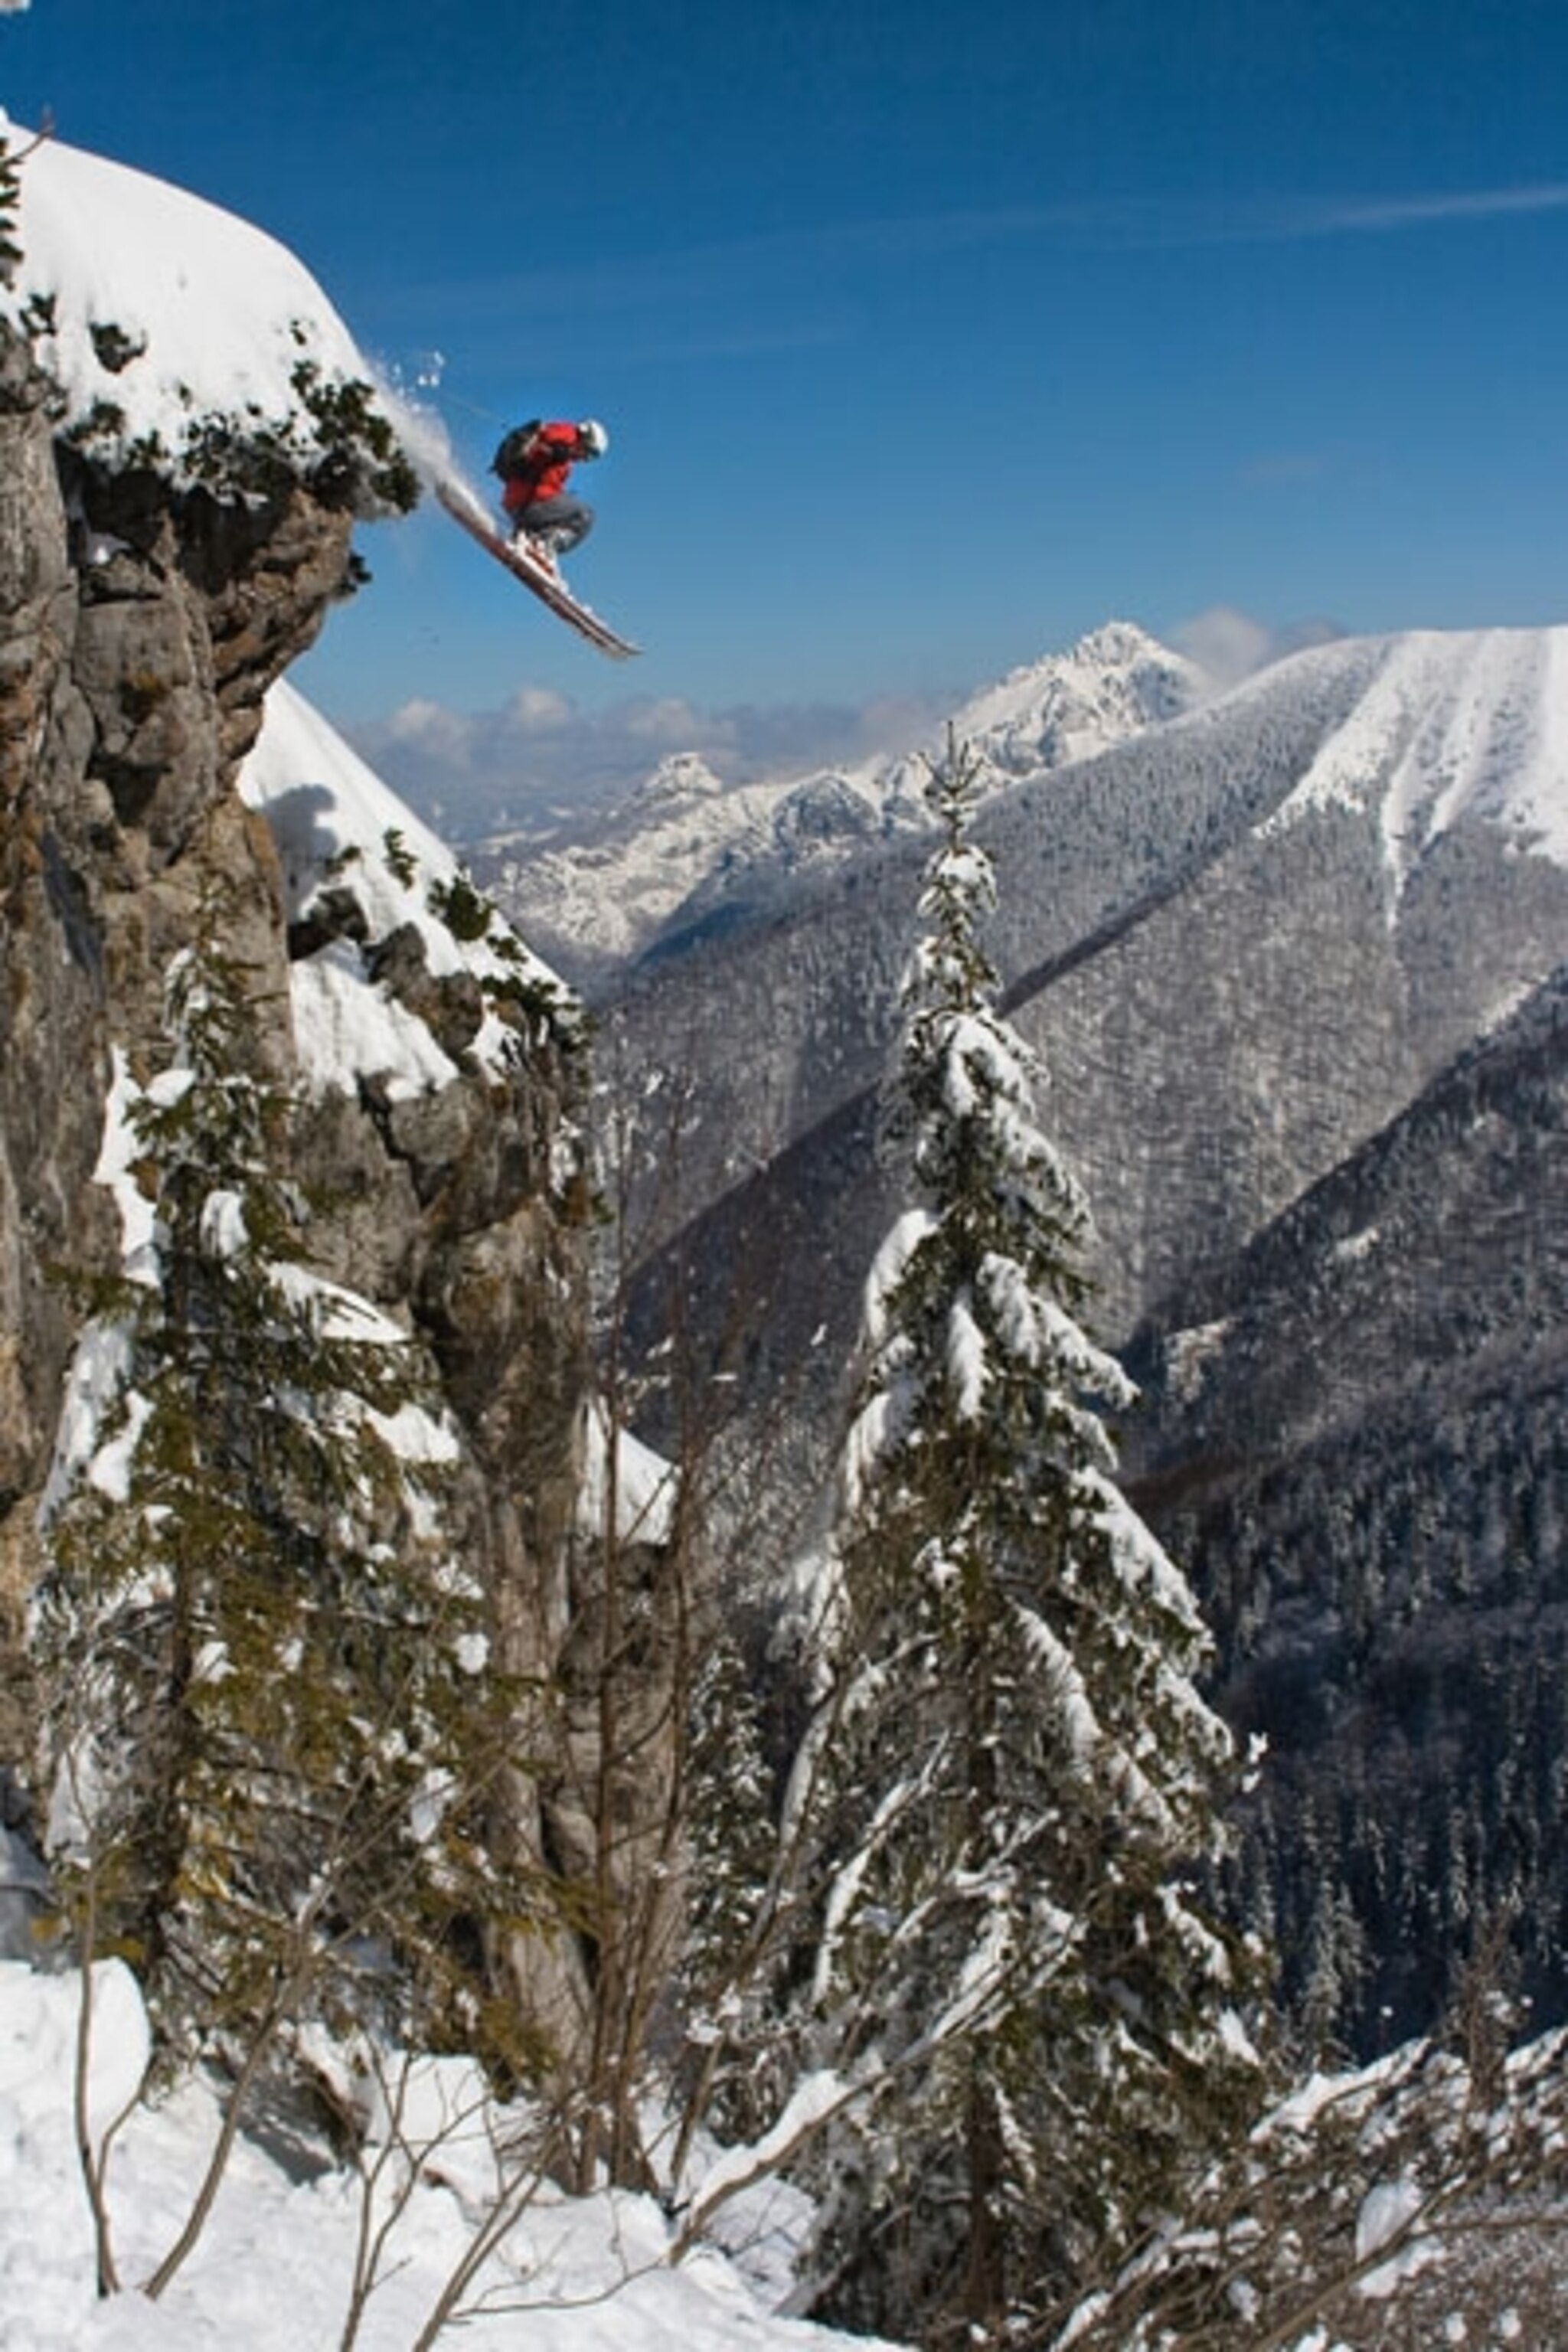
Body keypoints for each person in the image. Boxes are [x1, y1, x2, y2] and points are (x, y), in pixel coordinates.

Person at [493, 417, 609, 570]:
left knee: (567, 507)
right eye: (589, 452)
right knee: (585, 516)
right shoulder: (568, 434)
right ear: (585, 437)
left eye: (591, 458)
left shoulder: (566, 463)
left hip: (519, 505)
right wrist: (558, 448)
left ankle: (530, 539)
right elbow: (546, 436)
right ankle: (544, 546)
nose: (585, 459)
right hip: (528, 502)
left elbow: (547, 481)